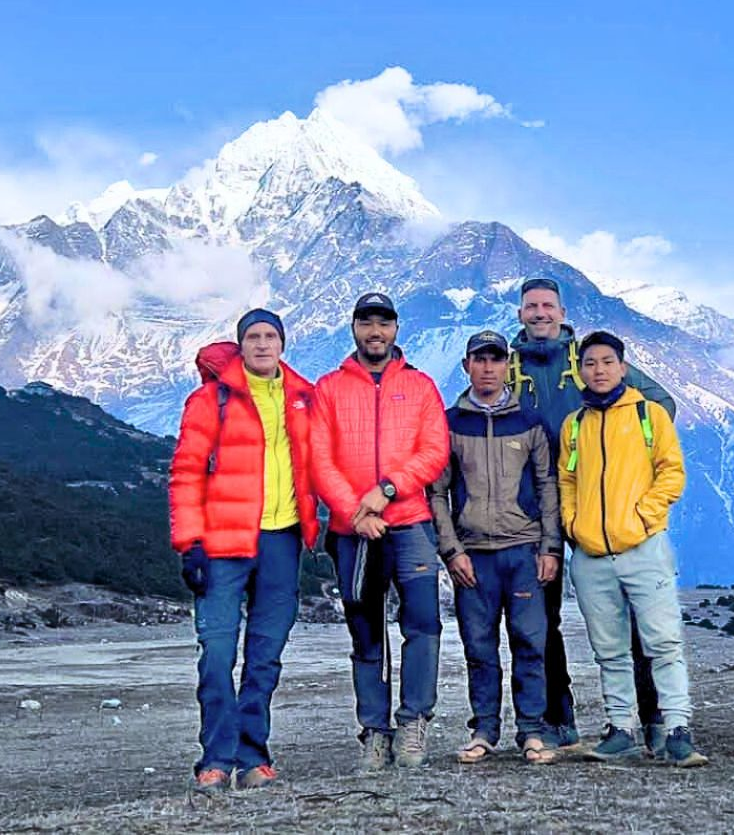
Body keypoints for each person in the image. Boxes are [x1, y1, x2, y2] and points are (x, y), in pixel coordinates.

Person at [508, 276, 676, 754]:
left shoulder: (589, 359)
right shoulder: (509, 365)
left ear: (562, 312)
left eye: (548, 306)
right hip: (534, 510)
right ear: (521, 314)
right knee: (541, 619)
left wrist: (620, 456)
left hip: (596, 504)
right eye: (531, 306)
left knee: (631, 611)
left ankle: (652, 717)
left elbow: (659, 405)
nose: (540, 313)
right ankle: (559, 721)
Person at [169, 308, 320, 792]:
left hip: (282, 539)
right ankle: (215, 757)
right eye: (252, 336)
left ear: (282, 343)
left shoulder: (303, 399)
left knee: (264, 657)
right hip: (222, 542)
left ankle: (254, 757)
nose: (261, 344)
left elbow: (319, 465)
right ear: (241, 345)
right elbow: (186, 473)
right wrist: (188, 542)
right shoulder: (209, 401)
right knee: (216, 652)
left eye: (269, 336)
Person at [311, 292, 450, 772]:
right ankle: (374, 730)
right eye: (367, 323)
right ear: (353, 328)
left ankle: (413, 722)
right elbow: (319, 460)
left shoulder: (420, 386)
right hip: (354, 532)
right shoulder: (329, 389)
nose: (376, 332)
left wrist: (387, 490)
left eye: (384, 323)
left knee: (422, 626)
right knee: (366, 632)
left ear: (396, 329)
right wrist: (355, 511)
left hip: (410, 523)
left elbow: (435, 451)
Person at [558, 330, 708, 768]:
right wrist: (573, 523)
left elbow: (672, 472)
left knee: (663, 644)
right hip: (590, 556)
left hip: (644, 549)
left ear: (623, 368)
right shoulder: (575, 425)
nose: (598, 370)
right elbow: (568, 479)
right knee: (609, 650)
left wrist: (645, 515)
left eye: (607, 362)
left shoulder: (649, 415)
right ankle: (620, 728)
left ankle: (678, 729)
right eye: (590, 363)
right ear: (580, 370)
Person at [429, 330, 562, 766]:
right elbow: (437, 493)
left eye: (496, 359)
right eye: (479, 359)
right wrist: (451, 552)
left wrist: (550, 547)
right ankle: (484, 729)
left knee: (529, 643)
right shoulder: (449, 424)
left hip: (523, 551)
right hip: (473, 556)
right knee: (479, 648)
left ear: (508, 365)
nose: (488, 367)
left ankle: (532, 732)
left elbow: (547, 486)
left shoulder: (529, 423)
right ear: (466, 365)